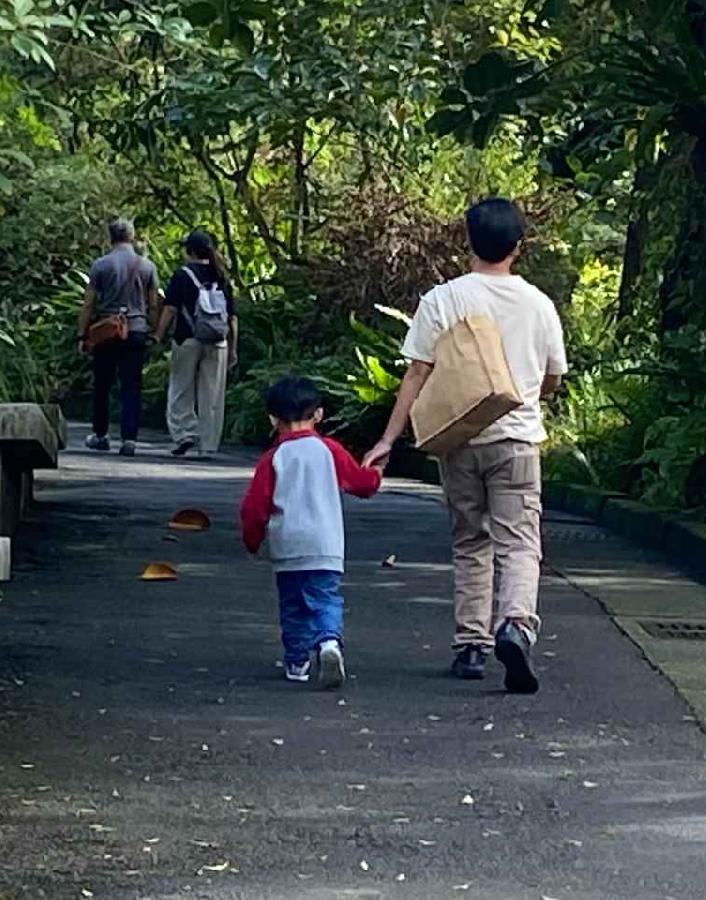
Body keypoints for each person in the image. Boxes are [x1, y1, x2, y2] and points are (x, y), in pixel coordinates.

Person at [362, 198, 568, 695]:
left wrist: (388, 439)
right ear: (519, 246)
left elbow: (417, 374)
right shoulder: (539, 304)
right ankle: (515, 624)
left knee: (471, 540)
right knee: (519, 542)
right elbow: (552, 379)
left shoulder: (443, 300)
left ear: (468, 241)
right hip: (517, 441)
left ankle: (471, 645)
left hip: (459, 440)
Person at [240, 376, 382, 688]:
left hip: (288, 545)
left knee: (292, 606)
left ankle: (297, 662)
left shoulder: (273, 458)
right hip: (325, 543)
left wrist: (252, 541)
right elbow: (361, 484)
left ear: (273, 419)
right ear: (318, 414)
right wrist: (376, 473)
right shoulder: (329, 450)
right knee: (324, 598)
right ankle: (328, 641)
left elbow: (254, 508)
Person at [78, 218, 160, 457]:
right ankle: (129, 439)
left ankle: (101, 435)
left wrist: (82, 334)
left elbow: (89, 303)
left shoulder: (100, 265)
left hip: (106, 330)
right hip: (135, 329)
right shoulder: (147, 266)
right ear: (132, 237)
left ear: (110, 237)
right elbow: (154, 304)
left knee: (102, 384)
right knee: (131, 385)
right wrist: (154, 331)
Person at [154, 230, 238, 458]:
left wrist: (158, 335)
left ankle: (185, 433)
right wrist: (233, 347)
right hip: (218, 341)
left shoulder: (182, 275)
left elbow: (170, 309)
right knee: (213, 394)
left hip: (187, 338)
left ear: (189, 251)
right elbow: (232, 317)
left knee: (181, 388)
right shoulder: (221, 276)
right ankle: (209, 444)